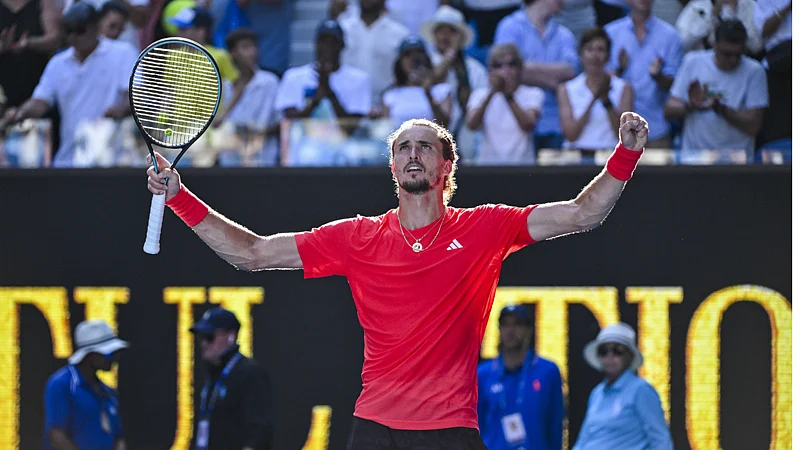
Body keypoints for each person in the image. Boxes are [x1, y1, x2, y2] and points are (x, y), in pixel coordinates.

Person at [145, 108, 650, 448]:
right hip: (375, 428)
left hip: (451, 429)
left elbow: (582, 214)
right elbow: (251, 253)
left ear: (445, 164)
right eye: (403, 147)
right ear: (392, 167)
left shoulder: (483, 229)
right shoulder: (357, 237)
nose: (412, 153)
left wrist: (624, 154)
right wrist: (181, 198)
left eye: (424, 147)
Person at [4, 2, 137, 167]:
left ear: (95, 28)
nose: (74, 36)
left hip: (112, 160)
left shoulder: (123, 53)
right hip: (68, 160)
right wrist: (20, 112)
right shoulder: (58, 63)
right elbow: (40, 101)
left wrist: (122, 109)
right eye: (69, 31)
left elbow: (135, 96)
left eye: (80, 30)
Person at [572, 323, 673, 450]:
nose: (610, 356)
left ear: (630, 356)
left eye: (617, 350)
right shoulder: (597, 393)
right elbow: (584, 439)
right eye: (604, 351)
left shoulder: (641, 390)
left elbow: (661, 439)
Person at [477, 305, 564, 450]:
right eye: (505, 324)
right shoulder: (483, 374)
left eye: (517, 324)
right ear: (499, 329)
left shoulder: (548, 371)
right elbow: (477, 424)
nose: (510, 330)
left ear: (528, 330)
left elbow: (555, 424)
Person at [189, 307, 273, 450]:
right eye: (201, 338)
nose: (204, 343)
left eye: (210, 337)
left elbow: (260, 431)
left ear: (230, 336)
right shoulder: (212, 375)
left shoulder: (249, 373)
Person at [44, 320, 129, 450]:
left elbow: (118, 437)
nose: (114, 359)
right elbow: (56, 436)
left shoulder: (108, 392)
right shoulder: (62, 384)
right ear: (90, 355)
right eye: (109, 353)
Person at [558, 28, 633, 156]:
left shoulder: (624, 88)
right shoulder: (567, 89)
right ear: (581, 55)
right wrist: (594, 98)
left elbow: (625, 137)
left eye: (600, 50)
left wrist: (606, 101)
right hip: (576, 157)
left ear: (608, 56)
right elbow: (570, 134)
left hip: (611, 156)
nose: (595, 55)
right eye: (589, 49)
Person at [465, 43, 544, 165]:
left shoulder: (533, 93)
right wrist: (492, 92)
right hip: (488, 168)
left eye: (511, 65)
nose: (505, 71)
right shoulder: (480, 94)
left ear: (520, 68)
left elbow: (528, 124)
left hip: (522, 167)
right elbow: (472, 124)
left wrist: (507, 94)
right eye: (498, 66)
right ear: (490, 70)